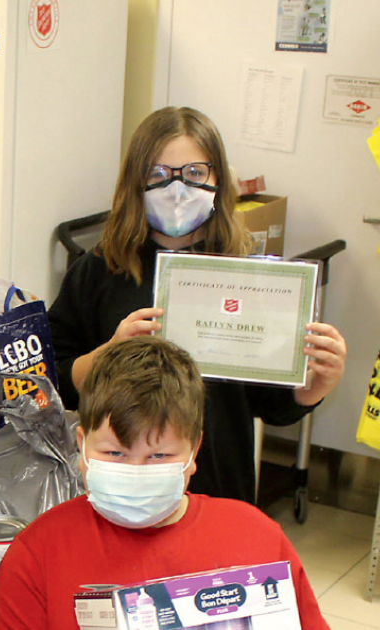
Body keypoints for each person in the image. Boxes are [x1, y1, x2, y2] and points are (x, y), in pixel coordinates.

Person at [48, 106, 347, 503]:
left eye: (194, 174)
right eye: (158, 174)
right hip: (117, 491)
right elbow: (49, 383)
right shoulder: (97, 272)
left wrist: (313, 385)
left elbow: (268, 404)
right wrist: (107, 357)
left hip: (218, 487)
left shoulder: (248, 278)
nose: (177, 190)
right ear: (134, 182)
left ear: (218, 179)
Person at [0, 336, 329, 629]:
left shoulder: (257, 540)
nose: (136, 471)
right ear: (81, 445)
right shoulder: (36, 556)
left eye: (158, 457)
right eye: (115, 453)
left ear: (194, 450)